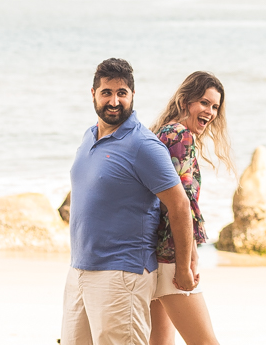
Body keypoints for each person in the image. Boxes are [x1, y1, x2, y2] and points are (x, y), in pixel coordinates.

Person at [63, 58, 198, 345]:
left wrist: (184, 267)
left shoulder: (144, 146)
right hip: (80, 270)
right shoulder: (89, 137)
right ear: (93, 94)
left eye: (121, 93)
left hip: (122, 275)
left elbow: (179, 206)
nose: (114, 101)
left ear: (132, 96)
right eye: (107, 93)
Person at [148, 71, 235, 345]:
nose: (210, 112)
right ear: (186, 101)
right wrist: (185, 263)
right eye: (204, 103)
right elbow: (179, 206)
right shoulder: (180, 136)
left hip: (155, 254)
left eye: (215, 107)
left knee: (160, 342)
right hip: (171, 255)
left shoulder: (164, 133)